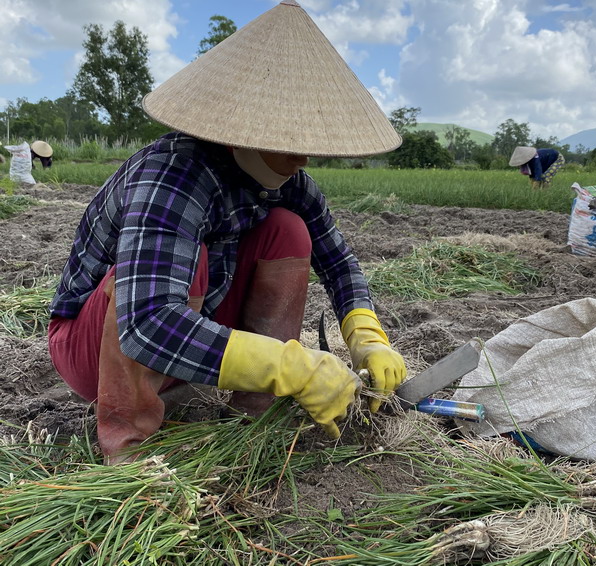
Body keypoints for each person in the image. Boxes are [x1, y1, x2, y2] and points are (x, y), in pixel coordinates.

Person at [47, 0, 407, 465]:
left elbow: (338, 262)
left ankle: (253, 416)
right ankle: (131, 449)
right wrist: (288, 367)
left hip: (185, 341)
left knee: (288, 230)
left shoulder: (289, 184)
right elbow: (148, 322)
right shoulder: (173, 177)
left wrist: (366, 334)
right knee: (186, 262)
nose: (303, 159)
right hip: (96, 349)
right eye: (289, 141)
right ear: (245, 131)